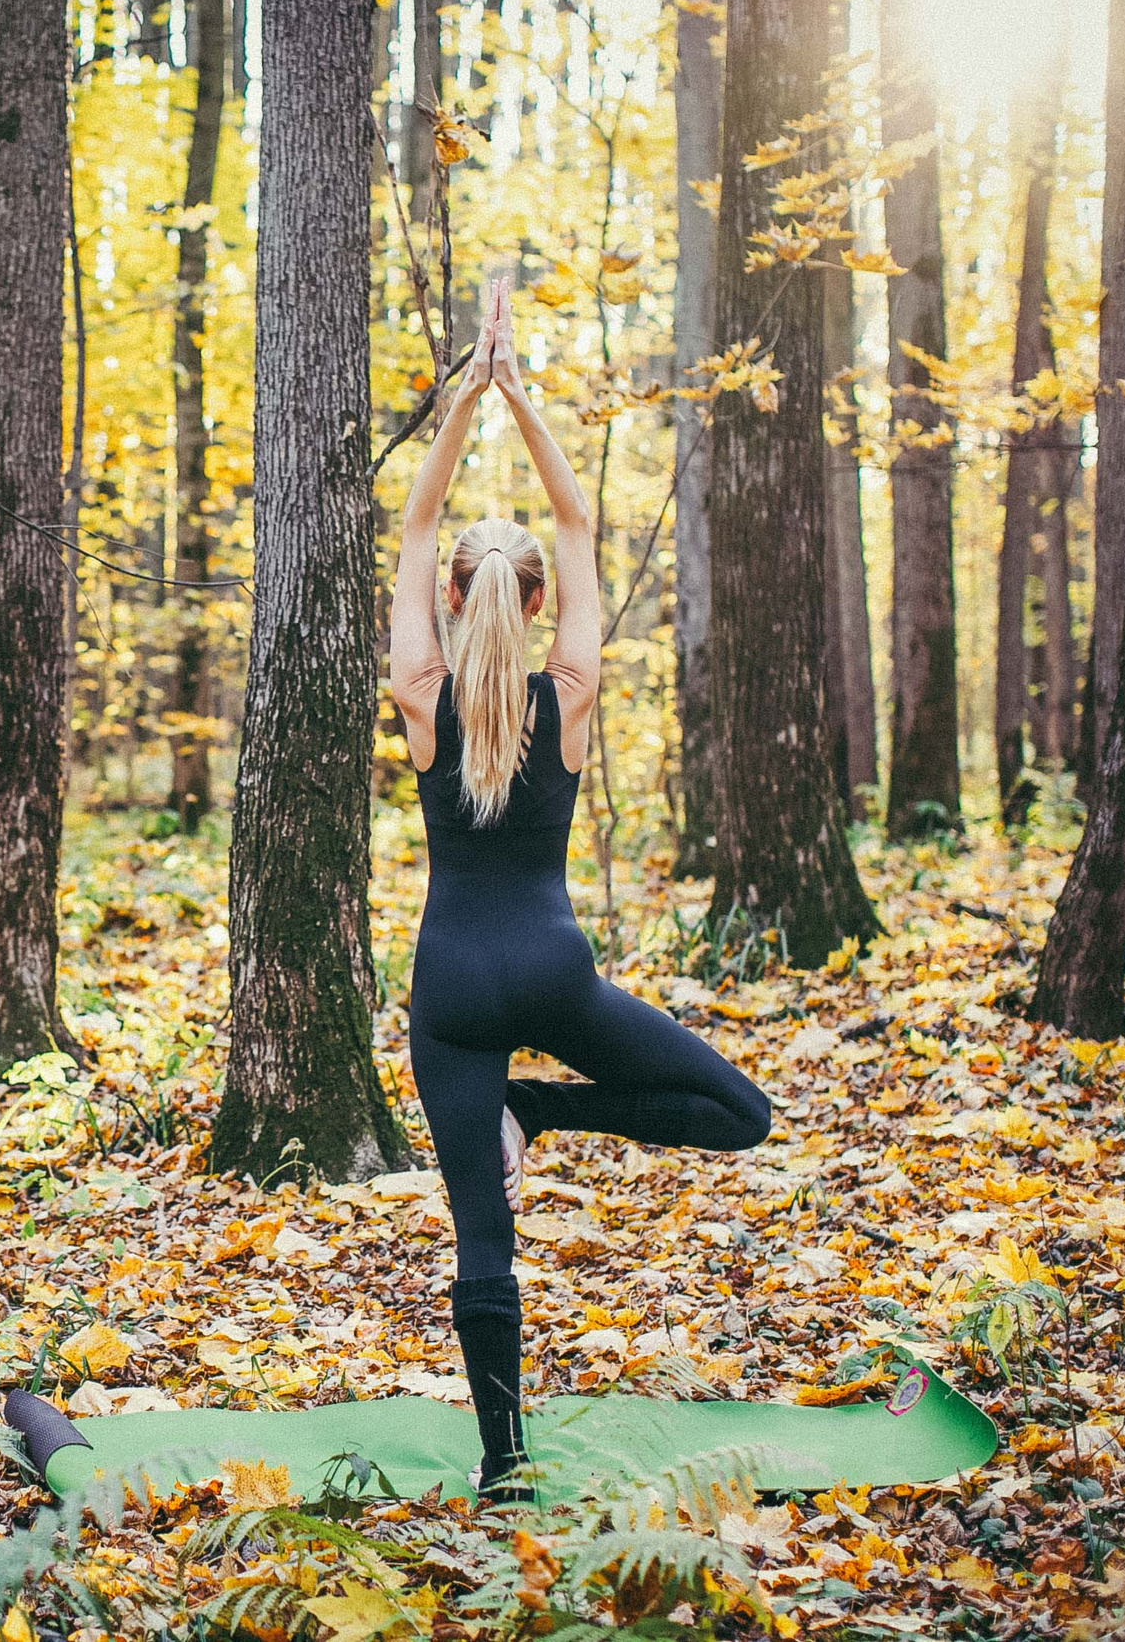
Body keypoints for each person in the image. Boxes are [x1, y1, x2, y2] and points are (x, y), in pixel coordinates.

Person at [389, 278, 773, 1497]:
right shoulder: (569, 693)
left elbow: (411, 527)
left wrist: (462, 404)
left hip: (450, 992)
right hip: (554, 980)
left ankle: (504, 1464)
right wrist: (522, 398)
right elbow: (576, 525)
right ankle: (544, 1115)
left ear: (453, 598)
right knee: (737, 1117)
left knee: (482, 1243)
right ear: (538, 602)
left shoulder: (418, 698)